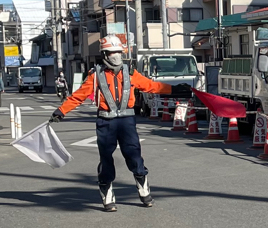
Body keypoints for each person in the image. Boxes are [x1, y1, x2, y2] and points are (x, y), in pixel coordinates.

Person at [49, 34, 191, 212]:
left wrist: (175, 90)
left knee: (134, 155)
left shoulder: (130, 72)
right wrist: (61, 111)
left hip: (127, 121)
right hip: (105, 121)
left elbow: (151, 86)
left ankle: (143, 185)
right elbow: (78, 96)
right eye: (112, 52)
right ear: (104, 55)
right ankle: (107, 190)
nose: (116, 56)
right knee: (106, 159)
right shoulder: (95, 76)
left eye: (119, 52)